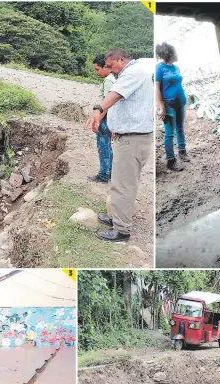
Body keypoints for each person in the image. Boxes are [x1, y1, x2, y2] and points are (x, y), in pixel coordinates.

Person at [84, 49, 153, 242]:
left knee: (124, 185)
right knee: (119, 181)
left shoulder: (133, 72)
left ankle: (122, 230)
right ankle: (116, 218)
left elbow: (115, 95)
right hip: (129, 137)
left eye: (110, 65)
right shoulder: (130, 72)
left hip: (134, 140)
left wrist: (98, 109)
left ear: (121, 60)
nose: (109, 70)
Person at [155, 42, 189, 171]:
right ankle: (171, 160)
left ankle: (182, 151)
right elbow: (157, 88)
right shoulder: (159, 68)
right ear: (170, 54)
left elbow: (177, 84)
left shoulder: (176, 67)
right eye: (175, 52)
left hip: (181, 102)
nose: (177, 54)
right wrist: (161, 106)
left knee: (180, 128)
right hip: (168, 105)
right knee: (170, 133)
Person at [88, 55, 117, 183]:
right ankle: (109, 172)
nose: (96, 73)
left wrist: (97, 120)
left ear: (106, 67)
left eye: (97, 69)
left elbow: (106, 104)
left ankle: (104, 175)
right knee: (108, 147)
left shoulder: (108, 81)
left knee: (103, 146)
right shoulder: (113, 79)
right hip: (110, 118)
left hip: (106, 118)